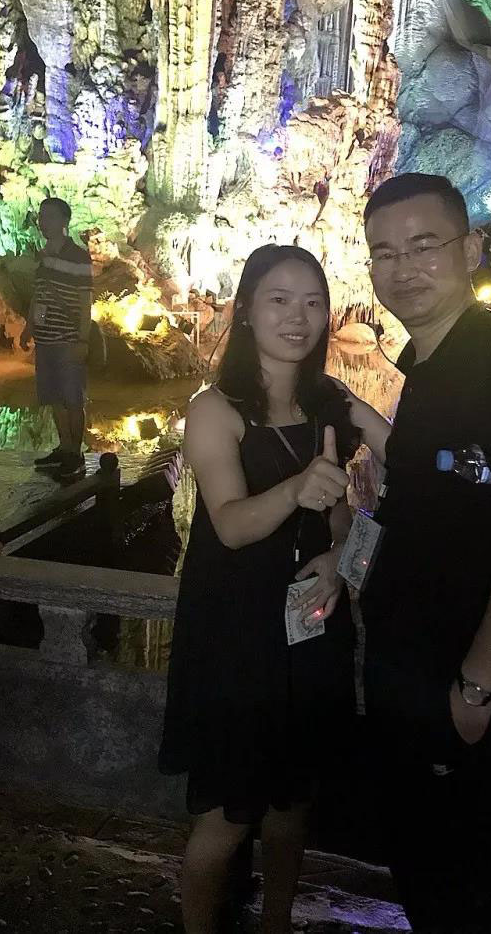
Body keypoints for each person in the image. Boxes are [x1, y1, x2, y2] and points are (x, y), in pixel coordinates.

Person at [359, 173, 491, 933]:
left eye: (425, 246)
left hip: (450, 666)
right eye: (385, 253)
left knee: (454, 871)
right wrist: (355, 417)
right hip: (410, 654)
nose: (404, 268)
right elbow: (443, 471)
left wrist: (475, 687)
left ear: (472, 248)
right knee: (424, 856)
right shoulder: (435, 362)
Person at [159, 246, 363, 934]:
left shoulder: (328, 405)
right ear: (245, 310)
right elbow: (230, 524)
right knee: (226, 814)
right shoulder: (215, 410)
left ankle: (276, 922)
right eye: (279, 299)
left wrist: (340, 558)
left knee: (290, 805)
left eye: (312, 301)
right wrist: (297, 488)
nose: (298, 316)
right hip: (237, 631)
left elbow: (346, 512)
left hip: (310, 619)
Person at [20, 197, 93, 480]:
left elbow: (85, 301)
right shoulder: (42, 257)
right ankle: (64, 448)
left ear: (64, 221)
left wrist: (83, 340)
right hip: (45, 339)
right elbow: (38, 295)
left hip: (68, 338)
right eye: (41, 216)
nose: (42, 222)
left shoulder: (78, 256)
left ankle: (75, 453)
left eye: (49, 216)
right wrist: (29, 327)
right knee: (53, 397)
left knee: (72, 399)